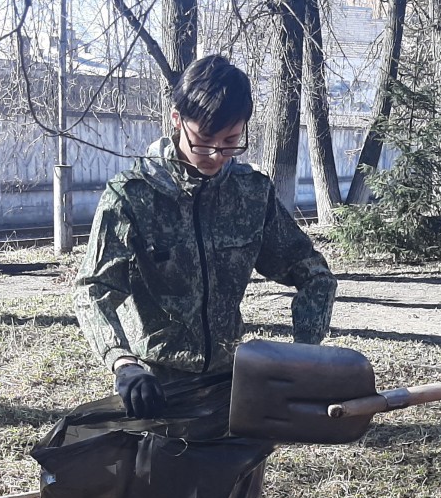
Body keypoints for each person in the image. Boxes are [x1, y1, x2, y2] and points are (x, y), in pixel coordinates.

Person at [74, 54, 338, 417]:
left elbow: (315, 275)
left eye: (231, 141)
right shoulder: (133, 196)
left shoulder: (251, 195)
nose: (216, 155)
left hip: (230, 384)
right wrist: (123, 363)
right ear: (177, 120)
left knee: (237, 474)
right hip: (154, 387)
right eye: (204, 140)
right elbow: (93, 290)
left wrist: (303, 354)